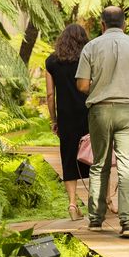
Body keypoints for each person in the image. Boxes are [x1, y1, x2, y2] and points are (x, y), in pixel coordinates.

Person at [76, 6, 129, 238]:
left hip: (100, 111)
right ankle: (128, 222)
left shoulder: (91, 47)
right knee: (127, 165)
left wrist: (101, 87)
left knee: (99, 164)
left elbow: (81, 85)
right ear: (125, 24)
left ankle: (96, 220)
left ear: (102, 25)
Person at [45, 24, 114, 221]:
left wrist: (54, 119)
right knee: (97, 157)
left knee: (68, 159)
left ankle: (73, 204)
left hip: (66, 117)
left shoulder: (52, 61)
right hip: (90, 113)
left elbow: (50, 95)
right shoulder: (90, 57)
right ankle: (102, 201)